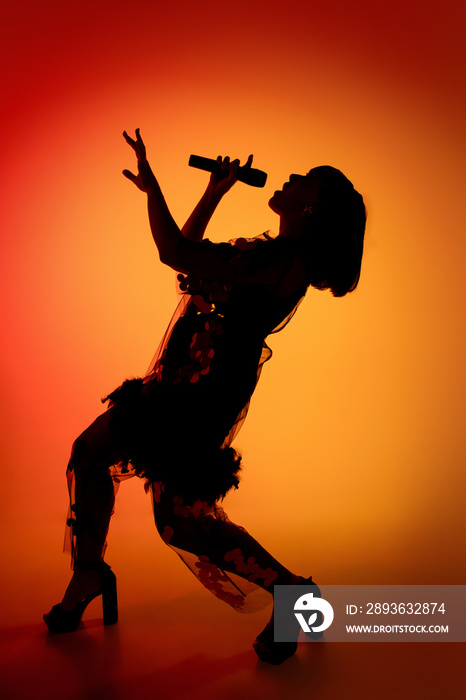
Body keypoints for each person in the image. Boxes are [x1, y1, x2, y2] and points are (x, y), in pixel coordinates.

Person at [43, 129, 366, 664]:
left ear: (310, 207)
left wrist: (154, 192)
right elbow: (190, 260)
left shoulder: (285, 265)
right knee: (91, 454)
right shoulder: (271, 254)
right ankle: (88, 574)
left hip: (204, 396)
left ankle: (291, 592)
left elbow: (173, 252)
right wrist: (214, 192)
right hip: (182, 377)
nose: (287, 178)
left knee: (179, 521)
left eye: (301, 180)